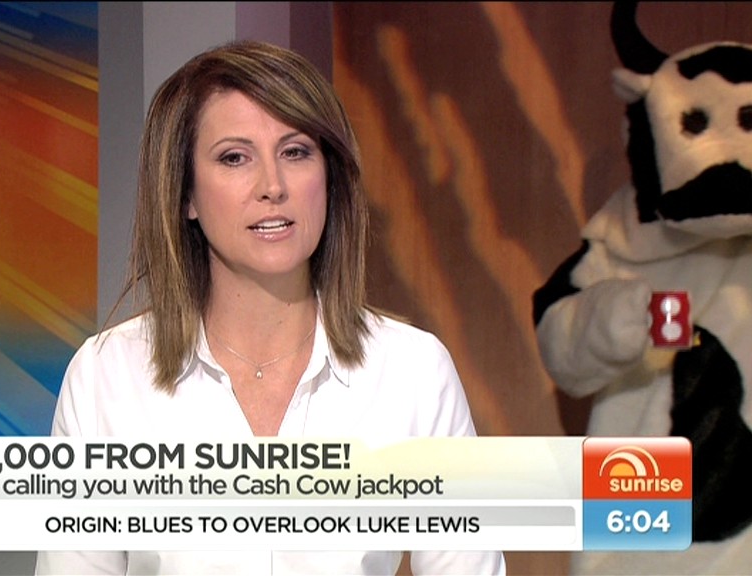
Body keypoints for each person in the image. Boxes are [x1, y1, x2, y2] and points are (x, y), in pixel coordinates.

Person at [35, 39, 506, 575]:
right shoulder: (106, 376)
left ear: (328, 177)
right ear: (186, 195)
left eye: (295, 152)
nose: (273, 186)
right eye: (235, 158)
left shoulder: (414, 372)